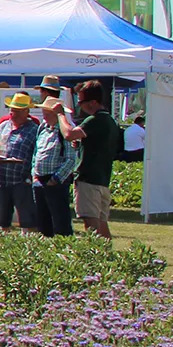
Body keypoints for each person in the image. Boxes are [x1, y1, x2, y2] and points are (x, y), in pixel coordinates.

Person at [0, 92, 40, 232]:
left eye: (18, 111)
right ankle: (1, 249)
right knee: (1, 221)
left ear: (27, 112)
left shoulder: (34, 130)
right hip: (2, 178)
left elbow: (37, 155)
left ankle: (29, 249)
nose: (14, 114)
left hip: (22, 180)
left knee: (28, 221)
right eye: (12, 110)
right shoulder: (4, 126)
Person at [73, 80, 117, 238]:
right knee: (101, 222)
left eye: (81, 102)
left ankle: (96, 257)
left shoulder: (95, 120)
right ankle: (106, 257)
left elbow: (69, 134)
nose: (80, 106)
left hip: (89, 179)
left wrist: (60, 115)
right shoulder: (110, 121)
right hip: (103, 179)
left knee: (91, 223)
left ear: (92, 102)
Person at [31, 96, 78, 236]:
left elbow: (71, 159)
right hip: (39, 180)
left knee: (60, 220)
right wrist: (34, 174)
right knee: (42, 219)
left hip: (56, 181)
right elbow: (36, 153)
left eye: (48, 112)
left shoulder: (66, 131)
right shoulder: (42, 128)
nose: (44, 115)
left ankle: (62, 247)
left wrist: (56, 179)